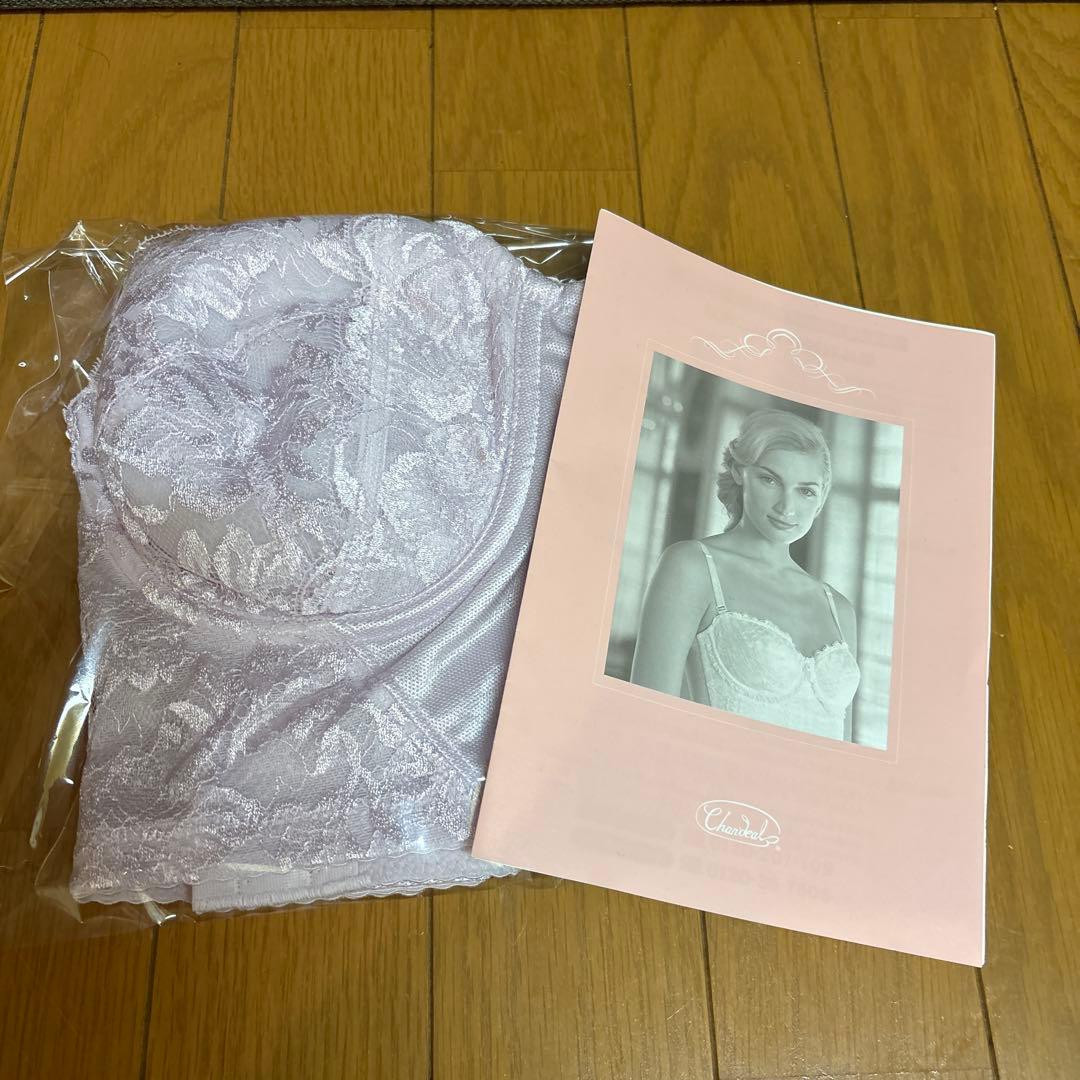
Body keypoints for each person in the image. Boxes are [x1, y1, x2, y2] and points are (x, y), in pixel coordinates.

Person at [629, 408, 860, 740]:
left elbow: (845, 751)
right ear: (740, 472)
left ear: (821, 497)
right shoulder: (693, 566)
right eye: (770, 480)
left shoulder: (840, 609)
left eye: (805, 490)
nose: (786, 507)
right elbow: (645, 720)